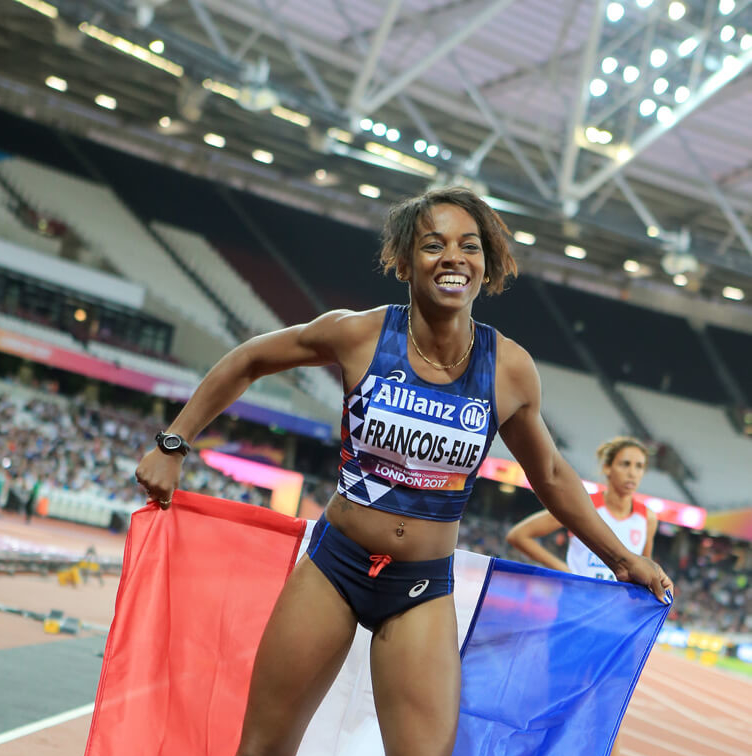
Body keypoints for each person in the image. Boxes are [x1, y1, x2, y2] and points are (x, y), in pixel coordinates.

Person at [135, 187, 673, 756]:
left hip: (419, 589)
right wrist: (174, 443)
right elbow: (250, 358)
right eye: (433, 245)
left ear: (486, 264)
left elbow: (553, 476)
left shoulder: (508, 369)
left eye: (469, 246)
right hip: (333, 569)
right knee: (262, 749)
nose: (453, 258)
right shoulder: (360, 334)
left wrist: (623, 558)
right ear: (403, 260)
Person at [506, 436, 659, 756]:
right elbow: (519, 535)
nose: (633, 473)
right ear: (607, 468)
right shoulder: (587, 507)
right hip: (576, 619)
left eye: (640, 467)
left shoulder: (647, 518)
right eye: (625, 464)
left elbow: (644, 572)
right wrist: (564, 569)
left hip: (617, 628)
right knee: (555, 704)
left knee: (609, 710)